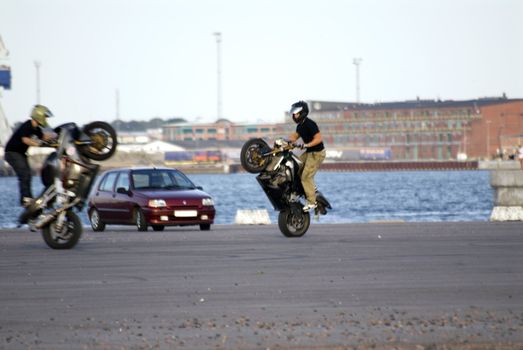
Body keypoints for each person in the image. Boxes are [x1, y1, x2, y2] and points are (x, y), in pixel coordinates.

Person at [4, 105, 55, 207]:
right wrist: (38, 144)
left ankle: (29, 199)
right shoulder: (27, 125)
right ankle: (25, 199)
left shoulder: (36, 128)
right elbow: (25, 140)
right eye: (45, 116)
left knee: (27, 175)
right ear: (39, 115)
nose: (46, 119)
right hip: (12, 153)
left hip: (20, 154)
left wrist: (55, 138)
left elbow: (44, 137)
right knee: (24, 174)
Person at [287, 100, 326, 212]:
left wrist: (306, 145)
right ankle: (306, 190)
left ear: (302, 113)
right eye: (293, 114)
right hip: (309, 152)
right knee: (296, 166)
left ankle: (312, 202)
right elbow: (294, 137)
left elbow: (318, 139)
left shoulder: (310, 124)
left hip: (317, 153)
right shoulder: (300, 126)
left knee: (306, 177)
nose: (294, 116)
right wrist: (284, 142)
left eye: (296, 113)